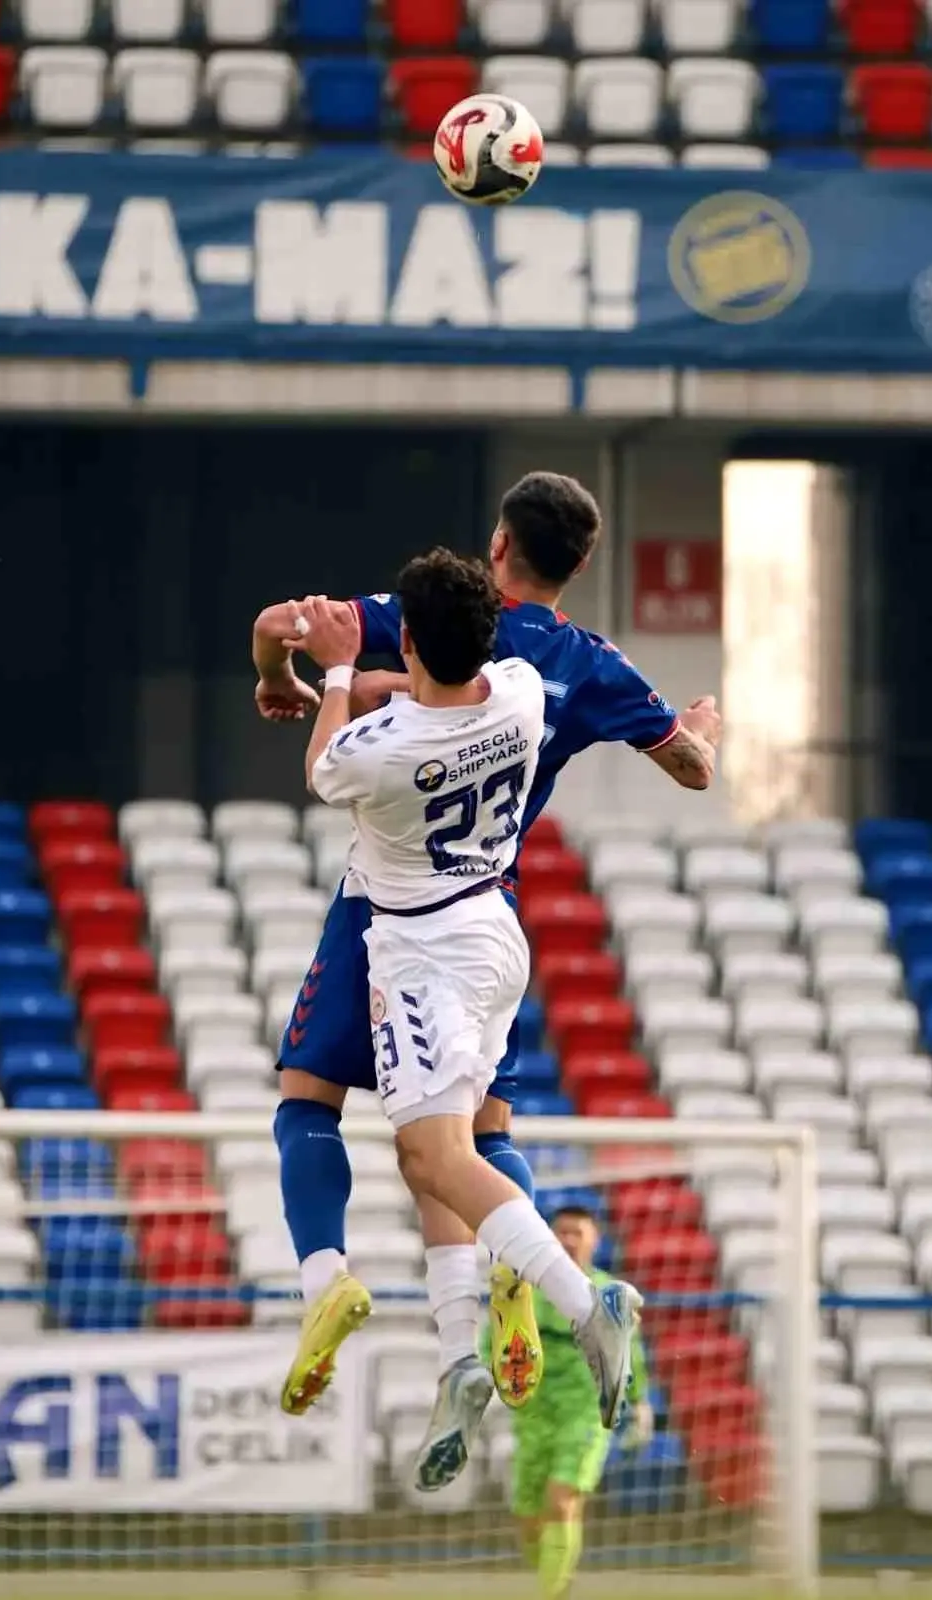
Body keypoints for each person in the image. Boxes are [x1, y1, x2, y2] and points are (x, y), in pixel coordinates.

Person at [252, 473, 720, 1450]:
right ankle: (464, 1352)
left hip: (397, 917)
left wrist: (300, 677)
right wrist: (702, 734)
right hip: (496, 906)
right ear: (580, 564)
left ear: (497, 543)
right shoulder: (548, 679)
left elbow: (298, 664)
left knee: (342, 1112)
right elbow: (688, 763)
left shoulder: (383, 724)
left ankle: (351, 1279)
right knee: (476, 1126)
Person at [294, 550, 643, 1493]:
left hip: (422, 961)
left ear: (407, 639)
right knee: (430, 1159)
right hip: (494, 933)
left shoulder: (379, 751)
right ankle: (461, 1357)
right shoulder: (524, 693)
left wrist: (332, 670)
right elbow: (435, 691)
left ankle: (587, 1302)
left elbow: (325, 761)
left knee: (442, 1157)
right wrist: (385, 677)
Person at [482, 1205, 651, 1600]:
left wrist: (639, 1401)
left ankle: (554, 1593)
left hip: (586, 1412)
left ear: (595, 1239)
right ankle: (553, 1578)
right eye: (562, 1231)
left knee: (562, 1501)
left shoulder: (607, 1294)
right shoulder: (524, 1291)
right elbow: (498, 1337)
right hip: (533, 1414)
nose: (569, 1239)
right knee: (528, 1516)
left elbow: (630, 1353)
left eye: (579, 1231)